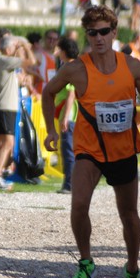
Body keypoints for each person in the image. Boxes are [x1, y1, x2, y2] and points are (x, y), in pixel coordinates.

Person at [41, 5, 140, 278]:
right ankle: (86, 262)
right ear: (87, 35)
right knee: (78, 205)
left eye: (104, 31)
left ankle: (132, 271)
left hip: (123, 150)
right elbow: (48, 92)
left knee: (128, 215)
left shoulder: (131, 66)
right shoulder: (76, 68)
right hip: (89, 150)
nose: (99, 38)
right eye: (92, 32)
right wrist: (52, 131)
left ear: (115, 32)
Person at [0, 34, 31, 189]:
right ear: (8, 48)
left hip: (0, 106)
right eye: (13, 47)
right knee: (7, 142)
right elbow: (31, 62)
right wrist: (24, 47)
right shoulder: (5, 61)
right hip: (6, 107)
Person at [55, 36, 79, 194]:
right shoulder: (71, 66)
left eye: (59, 49)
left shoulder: (69, 68)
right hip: (68, 114)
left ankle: (69, 184)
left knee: (68, 150)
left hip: (68, 114)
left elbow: (71, 94)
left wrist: (65, 117)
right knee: (69, 150)